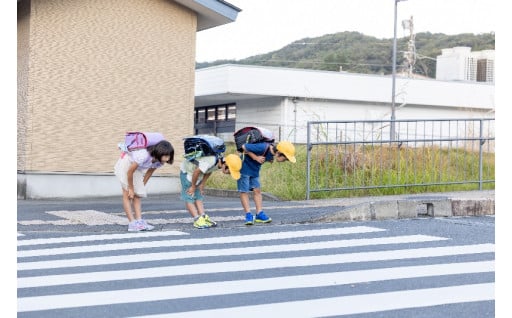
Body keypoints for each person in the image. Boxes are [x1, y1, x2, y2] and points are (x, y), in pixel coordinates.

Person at [114, 140, 174, 232]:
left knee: (138, 195)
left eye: (169, 155)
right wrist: (131, 188)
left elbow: (149, 173)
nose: (167, 158)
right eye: (166, 155)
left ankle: (139, 221)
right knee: (128, 195)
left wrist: (141, 186)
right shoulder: (143, 155)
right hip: (125, 164)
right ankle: (132, 224)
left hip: (136, 169)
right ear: (159, 152)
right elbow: (129, 172)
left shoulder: (159, 162)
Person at [237, 140, 296, 225]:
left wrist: (268, 159)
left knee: (257, 191)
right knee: (244, 191)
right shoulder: (263, 147)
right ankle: (248, 215)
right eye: (285, 158)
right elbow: (244, 147)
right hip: (244, 169)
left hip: (255, 171)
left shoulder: (272, 153)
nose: (285, 160)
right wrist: (255, 158)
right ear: (279, 152)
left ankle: (259, 214)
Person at [180, 153, 242, 229]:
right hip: (188, 172)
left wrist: (202, 184)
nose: (229, 174)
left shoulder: (218, 162)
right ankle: (197, 219)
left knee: (198, 195)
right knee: (189, 196)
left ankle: (203, 217)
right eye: (230, 172)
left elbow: (209, 171)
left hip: (197, 174)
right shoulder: (212, 161)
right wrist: (193, 186)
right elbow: (196, 171)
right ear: (225, 165)